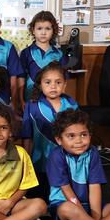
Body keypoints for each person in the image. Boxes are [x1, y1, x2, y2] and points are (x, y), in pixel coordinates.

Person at [22, 62, 78, 199]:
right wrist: (26, 160)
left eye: (58, 82)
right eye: (48, 82)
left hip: (66, 161)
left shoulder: (72, 104)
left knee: (63, 195)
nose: (53, 86)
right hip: (39, 161)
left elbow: (77, 133)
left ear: (65, 85)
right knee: (39, 194)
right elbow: (27, 135)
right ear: (40, 85)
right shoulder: (32, 105)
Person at [19, 11, 63, 100]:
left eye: (47, 28)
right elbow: (21, 78)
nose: (43, 32)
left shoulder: (59, 54)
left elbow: (63, 80)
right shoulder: (26, 53)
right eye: (39, 28)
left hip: (53, 100)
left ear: (53, 30)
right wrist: (21, 100)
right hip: (30, 99)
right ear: (33, 30)